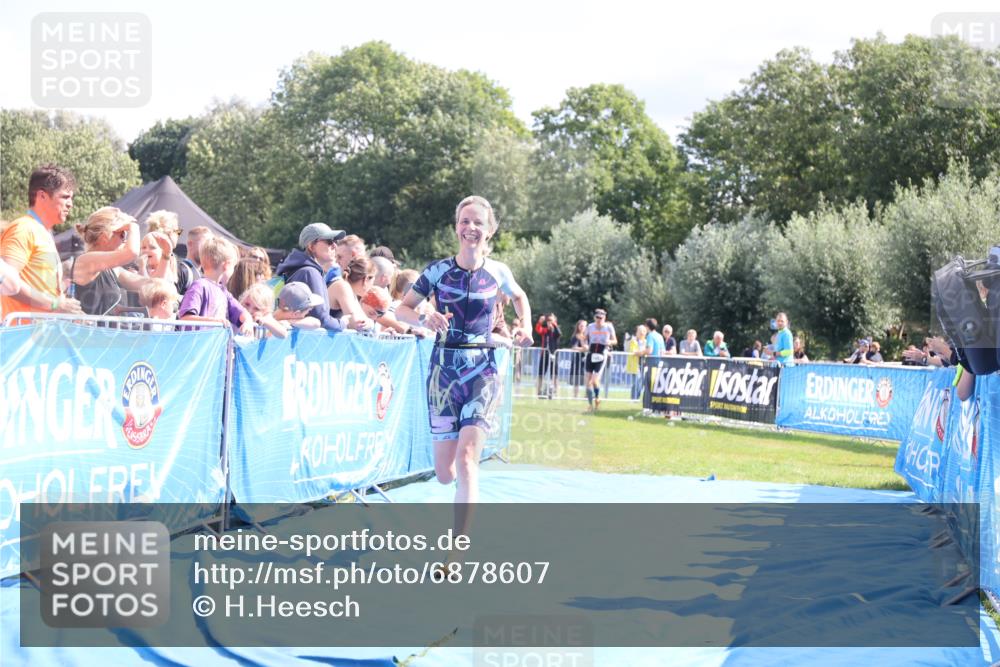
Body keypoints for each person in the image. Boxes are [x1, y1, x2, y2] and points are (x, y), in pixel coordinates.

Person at [395, 195, 532, 542]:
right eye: (464, 221)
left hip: (482, 371)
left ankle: (457, 546)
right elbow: (402, 310)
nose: (470, 228)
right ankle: (462, 493)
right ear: (456, 227)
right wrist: (425, 316)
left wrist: (525, 326)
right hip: (443, 374)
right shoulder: (437, 271)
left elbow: (519, 297)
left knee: (468, 457)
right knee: (445, 472)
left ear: (490, 231)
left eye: (478, 223)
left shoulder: (498, 271)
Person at [1, 164, 83, 318]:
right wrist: (55, 304)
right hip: (22, 331)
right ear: (42, 196)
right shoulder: (23, 228)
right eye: (65, 197)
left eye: (71, 198)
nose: (70, 204)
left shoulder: (43, 232)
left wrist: (67, 309)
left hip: (40, 331)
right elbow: (6, 284)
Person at [68, 207, 150, 316]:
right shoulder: (86, 261)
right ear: (105, 236)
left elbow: (148, 285)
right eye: (122, 234)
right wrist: (133, 226)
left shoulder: (112, 269)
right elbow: (131, 252)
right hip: (88, 327)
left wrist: (165, 257)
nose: (125, 240)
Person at [274, 223, 346, 331]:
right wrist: (343, 323)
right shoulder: (310, 272)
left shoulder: (299, 269)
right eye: (329, 241)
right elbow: (321, 319)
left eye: (335, 241)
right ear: (311, 246)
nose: (335, 246)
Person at [177, 237, 254, 335]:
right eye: (233, 267)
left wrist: (248, 321)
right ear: (226, 265)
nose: (233, 272)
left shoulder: (224, 292)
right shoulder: (199, 286)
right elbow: (185, 319)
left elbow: (242, 313)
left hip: (215, 345)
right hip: (197, 344)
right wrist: (214, 322)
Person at [584, 308, 617, 412]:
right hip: (591, 353)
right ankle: (590, 405)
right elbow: (584, 338)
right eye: (597, 317)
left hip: (602, 354)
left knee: (595, 380)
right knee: (588, 381)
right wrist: (585, 345)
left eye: (601, 318)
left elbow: (615, 340)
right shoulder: (590, 326)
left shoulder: (608, 327)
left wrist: (610, 342)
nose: (599, 320)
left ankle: (597, 398)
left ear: (604, 318)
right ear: (594, 317)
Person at [535, 313, 561, 398]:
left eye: (551, 320)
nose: (549, 322)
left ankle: (556, 392)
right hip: (545, 354)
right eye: (548, 320)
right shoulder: (545, 330)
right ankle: (538, 392)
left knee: (555, 374)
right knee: (541, 373)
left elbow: (559, 334)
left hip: (554, 354)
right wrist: (540, 322)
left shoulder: (556, 330)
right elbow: (538, 330)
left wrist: (554, 324)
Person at [627, 324, 648, 401]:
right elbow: (634, 352)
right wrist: (643, 352)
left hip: (644, 364)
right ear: (637, 332)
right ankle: (633, 399)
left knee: (641, 383)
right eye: (640, 331)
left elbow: (646, 352)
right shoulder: (633, 341)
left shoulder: (647, 342)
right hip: (635, 365)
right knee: (635, 382)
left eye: (643, 331)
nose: (642, 333)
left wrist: (641, 352)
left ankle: (636, 398)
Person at [569, 319, 588, 399]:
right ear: (578, 326)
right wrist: (583, 349)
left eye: (584, 326)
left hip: (586, 359)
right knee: (576, 378)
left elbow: (588, 347)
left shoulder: (587, 336)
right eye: (581, 326)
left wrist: (585, 347)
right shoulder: (575, 336)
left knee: (587, 377)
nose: (583, 327)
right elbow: (573, 347)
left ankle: (587, 395)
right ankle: (575, 395)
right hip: (577, 359)